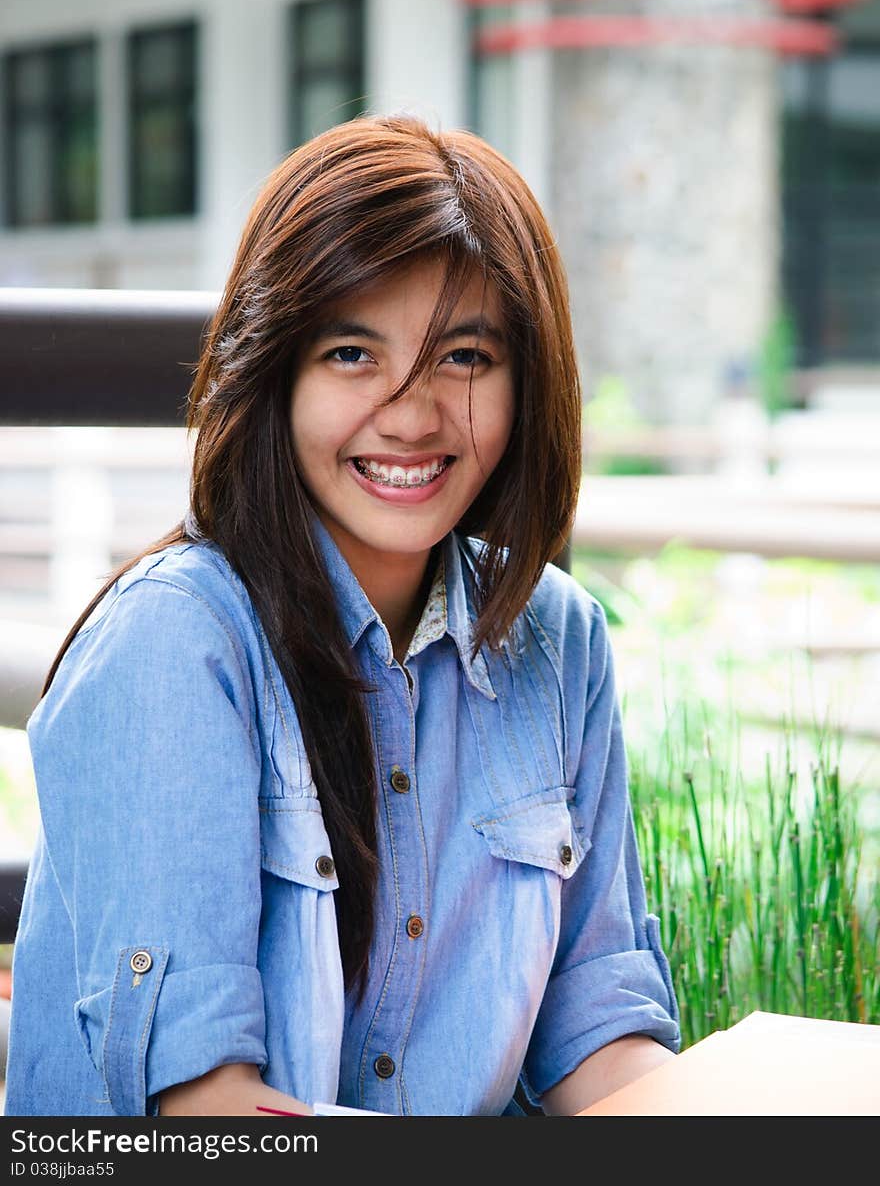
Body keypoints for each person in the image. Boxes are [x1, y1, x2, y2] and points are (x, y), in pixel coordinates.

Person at [5, 114, 679, 1118]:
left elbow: (600, 1031)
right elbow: (204, 1114)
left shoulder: (559, 638)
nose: (412, 414)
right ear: (272, 366)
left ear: (525, 382)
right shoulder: (175, 643)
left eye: (464, 357)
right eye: (352, 352)